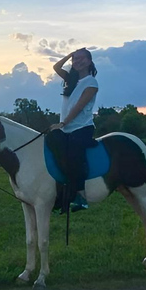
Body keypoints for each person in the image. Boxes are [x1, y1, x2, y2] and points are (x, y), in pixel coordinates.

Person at [49, 47, 98, 213]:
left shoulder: (91, 82)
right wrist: (69, 55)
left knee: (74, 158)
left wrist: (63, 123)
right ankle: (60, 193)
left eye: (81, 58)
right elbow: (56, 67)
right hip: (67, 128)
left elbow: (78, 107)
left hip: (82, 127)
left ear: (89, 61)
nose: (77, 61)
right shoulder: (72, 80)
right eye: (75, 59)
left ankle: (81, 197)